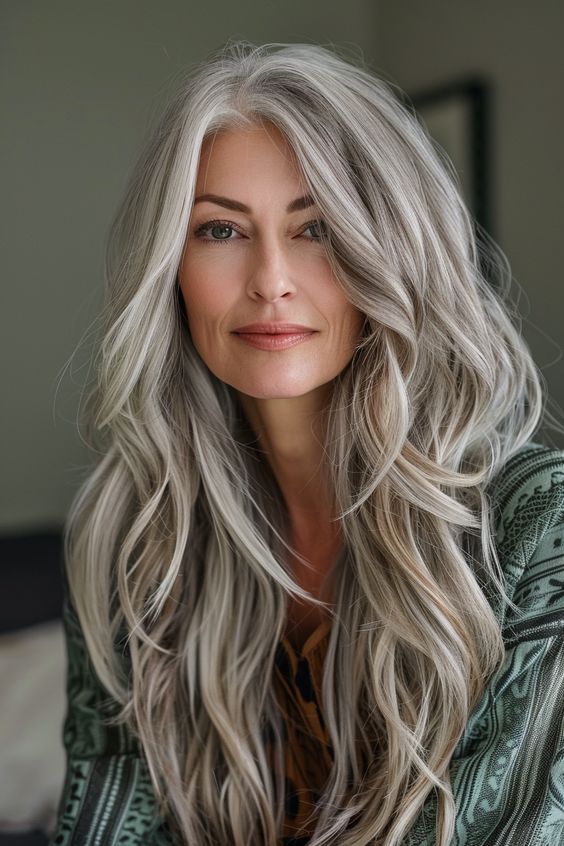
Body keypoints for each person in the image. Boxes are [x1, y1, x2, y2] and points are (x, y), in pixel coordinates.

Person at [50, 39, 564, 846]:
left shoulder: (538, 528)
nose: (272, 280)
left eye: (317, 227)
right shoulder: (130, 537)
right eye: (220, 230)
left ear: (394, 248)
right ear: (169, 266)